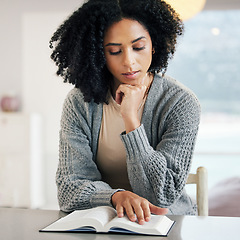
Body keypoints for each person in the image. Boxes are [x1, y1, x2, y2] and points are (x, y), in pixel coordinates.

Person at [50, 0, 201, 225]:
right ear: (99, 54)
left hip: (169, 224)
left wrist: (131, 119)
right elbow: (69, 188)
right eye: (114, 51)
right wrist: (115, 196)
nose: (129, 62)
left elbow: (162, 196)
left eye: (138, 47)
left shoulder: (180, 103)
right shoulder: (79, 103)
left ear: (154, 45)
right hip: (107, 221)